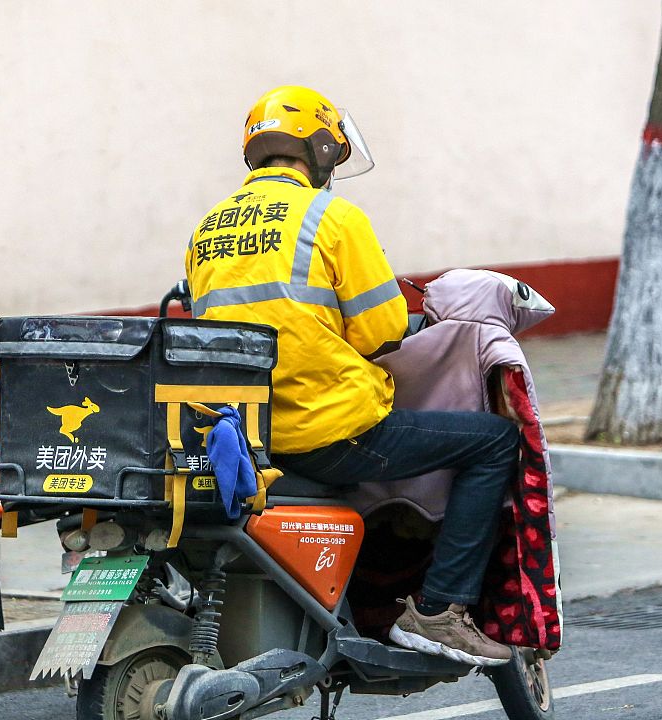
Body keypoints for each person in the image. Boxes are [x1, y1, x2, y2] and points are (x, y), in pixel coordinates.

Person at [184, 86, 517, 667]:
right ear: (317, 148)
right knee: (495, 443)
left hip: (247, 435)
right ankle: (440, 612)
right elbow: (382, 332)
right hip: (327, 429)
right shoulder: (332, 217)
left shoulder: (208, 228)